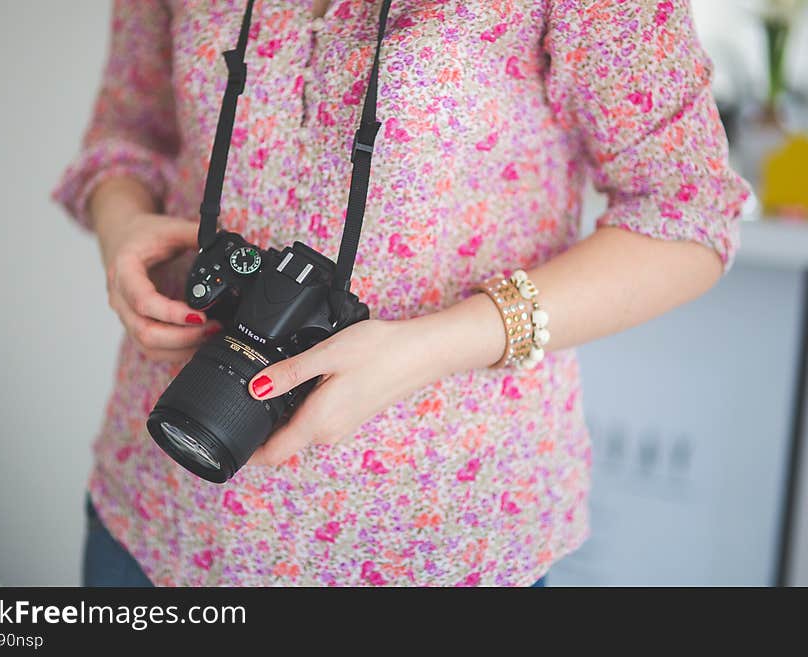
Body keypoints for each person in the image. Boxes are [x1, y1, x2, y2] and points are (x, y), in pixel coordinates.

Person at [55, 0, 749, 587]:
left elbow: (688, 215)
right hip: (163, 502)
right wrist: (123, 233)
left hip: (440, 542)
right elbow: (129, 129)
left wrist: (424, 349)